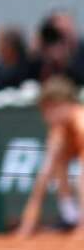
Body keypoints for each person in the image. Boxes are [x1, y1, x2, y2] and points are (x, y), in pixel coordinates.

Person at [16, 77, 84, 239]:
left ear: (60, 104)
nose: (45, 116)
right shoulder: (58, 132)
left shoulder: (81, 122)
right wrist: (28, 224)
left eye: (47, 109)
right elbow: (43, 177)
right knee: (57, 164)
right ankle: (70, 217)